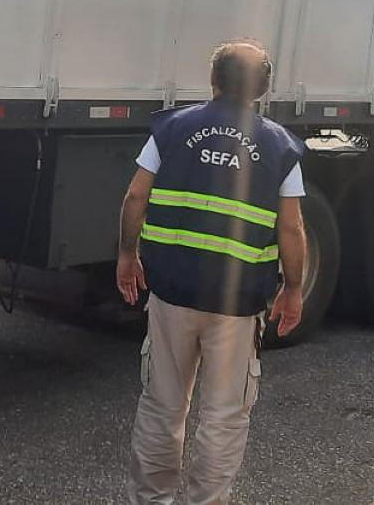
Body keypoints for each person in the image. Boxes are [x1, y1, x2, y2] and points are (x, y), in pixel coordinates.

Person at [118, 39, 307, 505]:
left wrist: (127, 254)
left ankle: (151, 499)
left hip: (172, 293)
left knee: (162, 407)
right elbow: (291, 228)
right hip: (236, 307)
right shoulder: (280, 146)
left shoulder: (172, 128)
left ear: (212, 80)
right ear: (262, 90)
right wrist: (294, 288)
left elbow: (136, 196)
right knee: (223, 418)